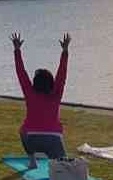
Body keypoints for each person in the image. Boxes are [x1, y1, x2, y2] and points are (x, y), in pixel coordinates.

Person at [11, 31, 70, 169]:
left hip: (31, 138)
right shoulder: (56, 94)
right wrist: (65, 51)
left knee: (22, 130)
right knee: (63, 167)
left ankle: (32, 161)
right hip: (54, 139)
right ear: (51, 83)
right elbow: (62, 74)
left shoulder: (30, 93)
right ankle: (57, 164)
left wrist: (17, 50)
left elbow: (21, 72)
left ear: (35, 82)